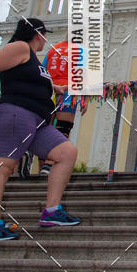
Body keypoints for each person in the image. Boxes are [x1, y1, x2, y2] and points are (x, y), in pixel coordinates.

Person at [0, 18, 81, 240]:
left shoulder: (34, 59)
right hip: (17, 112)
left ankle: (52, 211)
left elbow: (33, 78)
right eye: (44, 35)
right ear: (38, 34)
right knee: (4, 166)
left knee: (66, 152)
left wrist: (57, 87)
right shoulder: (20, 47)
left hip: (38, 120)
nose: (45, 39)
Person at [38, 39, 88, 176]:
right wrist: (84, 99)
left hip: (49, 91)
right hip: (68, 91)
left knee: (44, 129)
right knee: (63, 129)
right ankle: (49, 164)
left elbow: (42, 71)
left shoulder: (53, 49)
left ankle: (42, 165)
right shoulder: (81, 51)